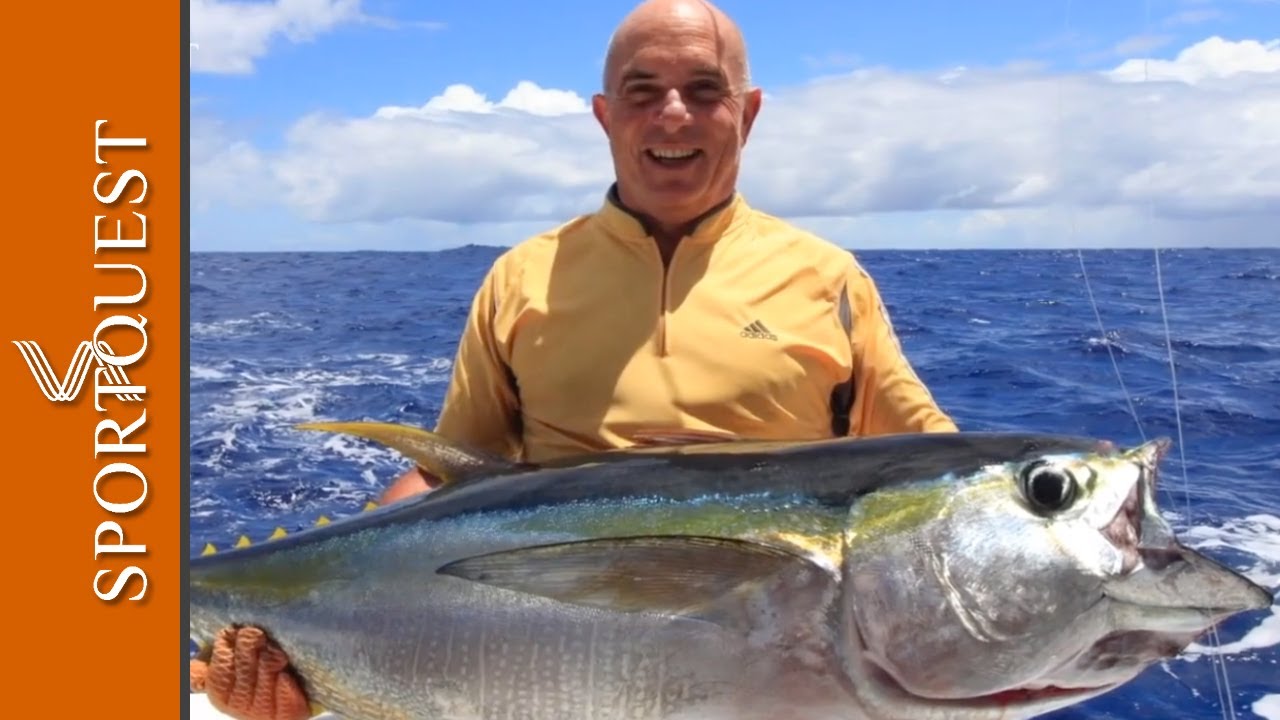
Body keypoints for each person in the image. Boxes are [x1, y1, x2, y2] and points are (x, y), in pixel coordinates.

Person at [190, 1, 958, 717]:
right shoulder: (523, 277)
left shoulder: (829, 280)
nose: (673, 113)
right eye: (642, 90)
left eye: (704, 89)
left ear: (748, 114)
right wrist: (297, 637)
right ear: (604, 115)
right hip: (549, 681)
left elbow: (932, 482)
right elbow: (450, 473)